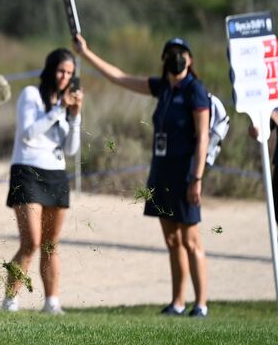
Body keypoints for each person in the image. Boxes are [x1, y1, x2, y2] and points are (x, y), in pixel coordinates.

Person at [75, 35, 210, 317]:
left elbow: (202, 138)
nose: (176, 57)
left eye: (181, 52)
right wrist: (86, 54)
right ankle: (177, 303)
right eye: (171, 52)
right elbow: (119, 78)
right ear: (164, 59)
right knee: (172, 241)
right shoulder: (162, 88)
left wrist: (196, 178)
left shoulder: (194, 90)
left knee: (191, 240)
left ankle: (201, 305)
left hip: (185, 175)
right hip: (161, 172)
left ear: (190, 59)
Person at [1, 49, 82, 315]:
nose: (65, 77)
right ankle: (10, 300)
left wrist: (75, 115)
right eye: (61, 71)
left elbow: (71, 149)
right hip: (27, 171)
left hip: (56, 174)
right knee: (31, 242)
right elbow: (28, 134)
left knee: (50, 244)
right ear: (50, 70)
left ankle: (52, 302)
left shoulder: (66, 104)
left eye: (69, 73)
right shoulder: (31, 95)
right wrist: (59, 109)